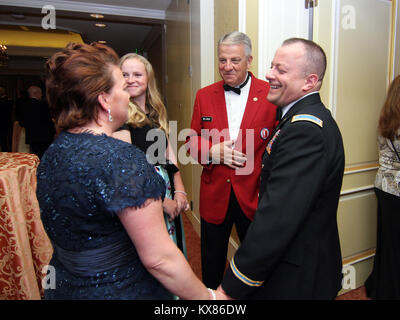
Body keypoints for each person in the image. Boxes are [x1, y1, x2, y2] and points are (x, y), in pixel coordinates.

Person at [37, 42, 215, 300]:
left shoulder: (52, 152)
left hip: (67, 286)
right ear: (104, 100)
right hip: (120, 289)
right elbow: (159, 259)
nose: (128, 94)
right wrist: (211, 300)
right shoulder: (120, 159)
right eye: (122, 86)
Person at [218, 38, 345, 299]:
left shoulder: (305, 131)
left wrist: (231, 287)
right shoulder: (300, 118)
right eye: (271, 66)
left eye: (281, 70)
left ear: (309, 82)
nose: (268, 74)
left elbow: (277, 219)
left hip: (300, 273)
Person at [185, 31, 277, 289]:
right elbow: (191, 140)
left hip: (254, 194)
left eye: (235, 60)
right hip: (215, 194)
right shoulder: (204, 95)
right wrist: (212, 152)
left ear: (249, 60)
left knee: (256, 262)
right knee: (211, 260)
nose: (227, 67)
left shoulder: (271, 93)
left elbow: (280, 142)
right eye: (222, 60)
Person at [113, 53, 189, 257]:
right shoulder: (120, 114)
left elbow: (168, 152)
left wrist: (180, 189)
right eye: (125, 75)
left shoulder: (156, 109)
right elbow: (126, 171)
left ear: (148, 78)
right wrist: (162, 202)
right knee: (155, 256)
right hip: (144, 194)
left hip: (164, 185)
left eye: (137, 74)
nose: (131, 80)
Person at [365, 75, 400, 300]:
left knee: (387, 243)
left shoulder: (387, 119)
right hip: (397, 191)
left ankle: (380, 286)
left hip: (384, 187)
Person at [18, 85, 55, 159]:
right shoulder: (43, 105)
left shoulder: (23, 105)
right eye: (40, 93)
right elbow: (49, 122)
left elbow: (21, 123)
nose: (41, 95)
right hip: (45, 137)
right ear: (36, 93)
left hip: (32, 137)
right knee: (45, 158)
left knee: (35, 157)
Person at [0, 86, 13, 152]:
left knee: (9, 138)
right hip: (1, 123)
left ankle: (10, 151)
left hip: (7, 122)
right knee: (2, 140)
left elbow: (9, 109)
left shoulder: (8, 100)